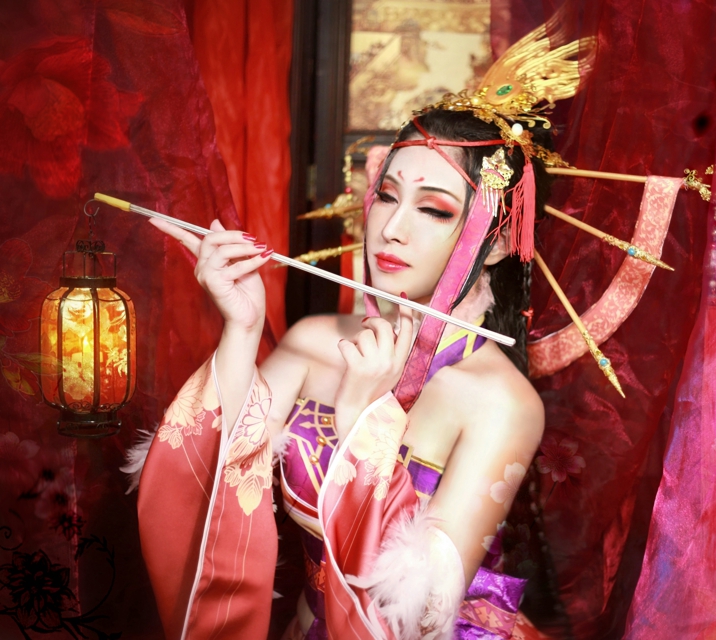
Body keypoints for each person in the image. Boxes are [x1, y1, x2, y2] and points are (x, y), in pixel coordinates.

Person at [136, 106, 558, 639]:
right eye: (386, 196)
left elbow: (420, 614)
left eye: (434, 210)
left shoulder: (502, 404)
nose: (391, 230)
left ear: (495, 242)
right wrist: (241, 330)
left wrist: (365, 421)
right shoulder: (315, 341)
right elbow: (201, 489)